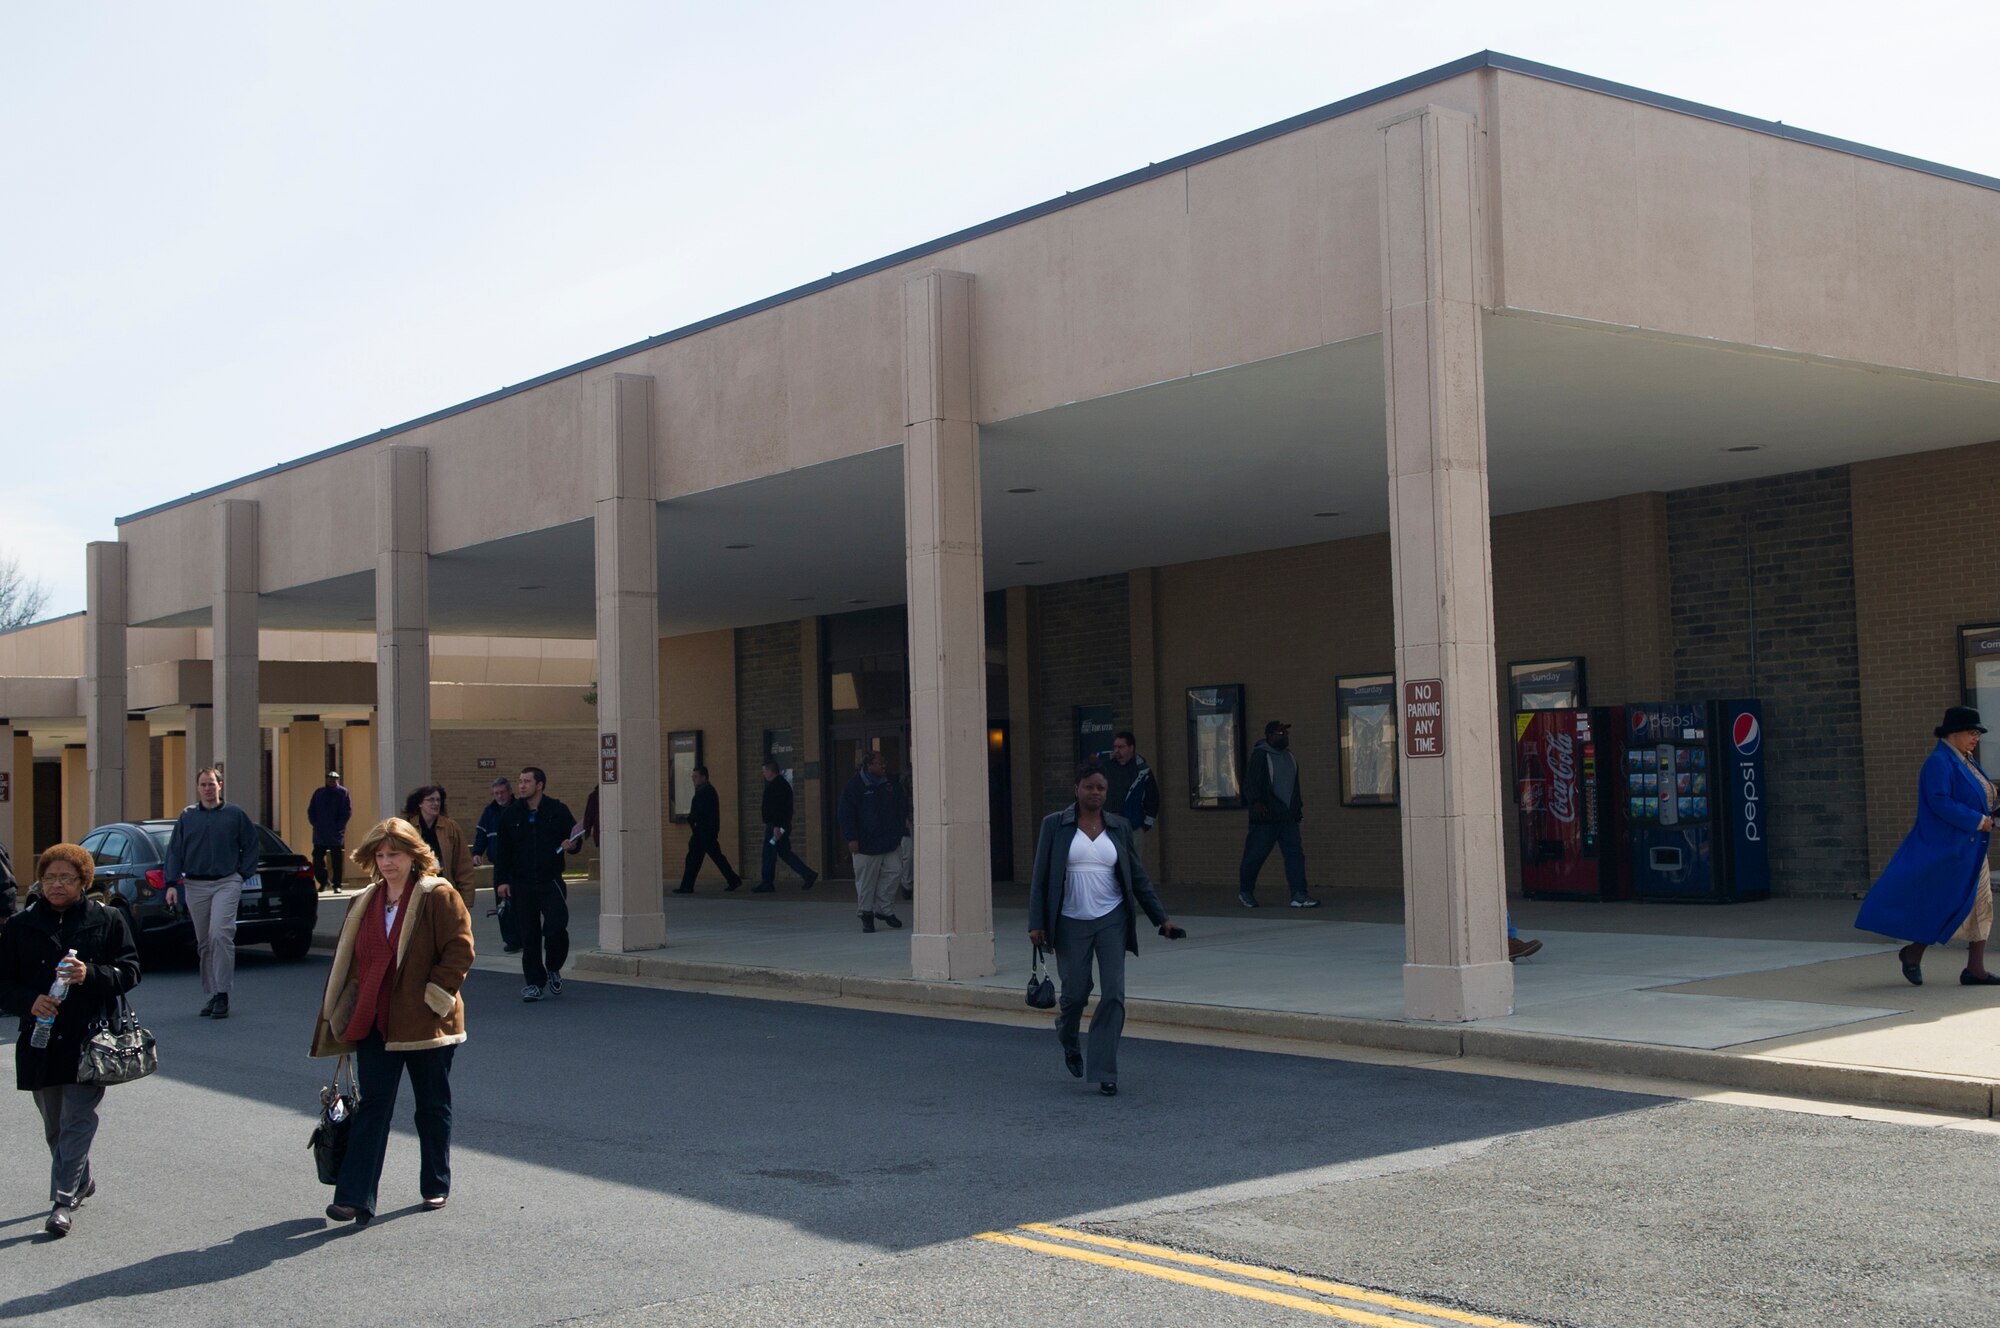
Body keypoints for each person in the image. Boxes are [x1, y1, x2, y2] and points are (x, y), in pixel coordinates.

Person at [312, 817, 474, 1226]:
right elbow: (354, 964)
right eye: (381, 855)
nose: (387, 862)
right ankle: (353, 1198)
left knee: (431, 1106)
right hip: (375, 1022)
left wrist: (435, 997)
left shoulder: (438, 895)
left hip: (427, 1025)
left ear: (413, 856)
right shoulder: (364, 900)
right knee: (373, 1108)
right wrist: (344, 1009)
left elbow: (460, 950)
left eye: (395, 854)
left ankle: (435, 1183)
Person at [0, 843, 141, 1237]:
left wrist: (88, 974)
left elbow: (129, 971)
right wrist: (30, 1001)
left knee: (77, 1119)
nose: (56, 885)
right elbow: (3, 984)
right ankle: (81, 1179)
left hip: (90, 1039)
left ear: (83, 881)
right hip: (40, 1040)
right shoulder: (21, 925)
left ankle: (62, 1202)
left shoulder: (107, 919)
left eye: (66, 877)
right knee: (55, 1127)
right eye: (49, 878)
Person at [1027, 765, 1183, 1097]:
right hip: (1070, 921)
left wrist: (1162, 920)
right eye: (1089, 787)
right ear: (1077, 788)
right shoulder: (1055, 825)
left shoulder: (1118, 826)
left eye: (1101, 788)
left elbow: (1137, 877)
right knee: (1074, 994)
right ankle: (1068, 1035)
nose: (1095, 792)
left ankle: (1104, 1070)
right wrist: (1036, 923)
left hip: (1112, 920)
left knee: (1113, 994)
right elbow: (1040, 878)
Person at [1856, 705, 2000, 986]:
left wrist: (1991, 813)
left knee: (1981, 903)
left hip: (1971, 849)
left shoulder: (1966, 760)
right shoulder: (1939, 761)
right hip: (1949, 849)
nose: (1976, 738)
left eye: (1978, 733)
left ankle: (1975, 968)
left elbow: (1978, 796)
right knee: (1945, 903)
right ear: (1953, 732)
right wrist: (1977, 820)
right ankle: (1913, 953)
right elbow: (1939, 801)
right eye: (1972, 732)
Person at [162, 765, 261, 1018]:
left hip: (226, 882)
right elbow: (175, 851)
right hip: (195, 885)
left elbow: (251, 845)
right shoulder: (187, 816)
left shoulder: (235, 814)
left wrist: (242, 874)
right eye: (203, 784)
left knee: (220, 934)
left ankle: (223, 994)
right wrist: (171, 883)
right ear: (198, 788)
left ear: (220, 786)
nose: (208, 789)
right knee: (205, 942)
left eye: (212, 784)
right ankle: (213, 993)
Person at [491, 766, 582, 1003]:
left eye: (527, 781)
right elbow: (503, 852)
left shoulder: (557, 810)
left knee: (556, 926)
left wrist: (572, 845)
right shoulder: (511, 815)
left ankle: (553, 966)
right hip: (521, 883)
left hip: (550, 880)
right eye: (520, 781)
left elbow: (574, 838)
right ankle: (534, 983)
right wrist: (502, 881)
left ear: (539, 785)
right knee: (529, 934)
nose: (521, 786)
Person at [1239, 720, 1318, 909]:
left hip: (1288, 817)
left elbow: (1294, 787)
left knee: (1295, 855)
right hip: (1266, 818)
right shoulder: (1260, 756)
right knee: (1255, 855)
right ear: (1269, 736)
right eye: (1280, 734)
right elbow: (1250, 784)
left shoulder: (1290, 757)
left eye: (1286, 734)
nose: (1285, 737)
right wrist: (1257, 804)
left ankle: (1299, 894)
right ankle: (1246, 891)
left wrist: (1296, 808)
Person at [837, 750, 904, 933]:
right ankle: (866, 914)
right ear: (869, 765)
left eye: (884, 762)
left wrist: (899, 829)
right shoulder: (855, 786)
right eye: (879, 763)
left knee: (895, 871)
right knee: (866, 882)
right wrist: (851, 837)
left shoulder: (890, 783)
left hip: (889, 840)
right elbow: (845, 813)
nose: (884, 766)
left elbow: (900, 806)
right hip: (865, 843)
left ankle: (884, 909)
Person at [402, 786, 477, 916]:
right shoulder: (407, 827)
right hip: (415, 893)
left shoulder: (451, 828)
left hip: (444, 891)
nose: (436, 803)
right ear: (420, 803)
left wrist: (466, 901)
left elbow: (463, 866)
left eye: (438, 800)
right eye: (431, 800)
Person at [470, 776, 520, 954]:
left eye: (502, 792)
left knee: (522, 902)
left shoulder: (520, 809)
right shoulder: (489, 812)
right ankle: (511, 940)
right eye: (496, 793)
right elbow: (481, 834)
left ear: (510, 792)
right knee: (503, 904)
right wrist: (477, 852)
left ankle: (525, 936)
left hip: (519, 865)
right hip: (500, 866)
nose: (499, 796)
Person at [672, 766, 742, 893]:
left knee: (694, 858)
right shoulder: (706, 790)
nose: (693, 779)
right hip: (707, 831)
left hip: (703, 831)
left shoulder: (705, 792)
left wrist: (691, 818)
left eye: (696, 776)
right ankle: (733, 879)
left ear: (703, 777)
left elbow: (701, 811)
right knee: (714, 857)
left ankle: (687, 886)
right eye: (693, 776)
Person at [756, 760, 818, 892]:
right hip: (781, 826)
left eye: (764, 771)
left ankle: (767, 883)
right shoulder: (782, 784)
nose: (763, 774)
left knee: (769, 852)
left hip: (776, 828)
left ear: (770, 771)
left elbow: (778, 808)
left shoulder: (776, 786)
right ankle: (808, 874)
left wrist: (776, 826)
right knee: (784, 852)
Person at [1101, 731, 1161, 862]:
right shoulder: (1106, 767)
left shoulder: (1142, 770)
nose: (1117, 751)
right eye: (1115, 747)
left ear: (1131, 748)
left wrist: (1147, 822)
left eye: (1121, 747)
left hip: (1132, 824)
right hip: (1109, 823)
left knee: (1132, 863)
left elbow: (1152, 796)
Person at [306, 771, 353, 894]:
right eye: (330, 778)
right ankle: (323, 881)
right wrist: (315, 823)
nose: (332, 781)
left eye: (334, 779)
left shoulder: (343, 792)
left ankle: (337, 884)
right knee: (317, 859)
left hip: (335, 833)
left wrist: (339, 826)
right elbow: (311, 810)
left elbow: (347, 811)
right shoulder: (319, 793)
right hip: (320, 833)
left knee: (336, 861)